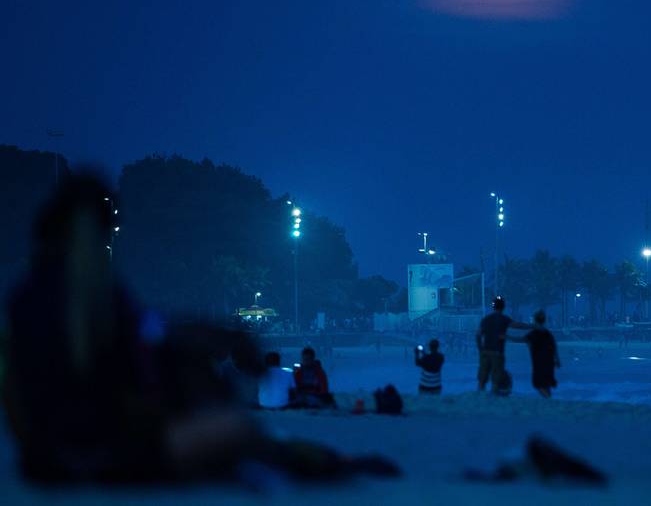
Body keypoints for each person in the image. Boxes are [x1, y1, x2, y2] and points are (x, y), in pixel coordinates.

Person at [1, 174, 400, 483]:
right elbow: (147, 340)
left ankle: (298, 458)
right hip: (96, 457)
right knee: (232, 428)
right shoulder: (86, 299)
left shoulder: (26, 299)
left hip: (51, 457)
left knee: (212, 413)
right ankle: (315, 462)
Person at [476, 296, 528, 393]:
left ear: (493, 307)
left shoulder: (486, 319)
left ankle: (481, 397)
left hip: (485, 352)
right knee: (496, 379)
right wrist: (532, 326)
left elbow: (478, 335)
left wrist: (480, 349)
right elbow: (518, 325)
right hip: (497, 353)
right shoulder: (504, 319)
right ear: (503, 307)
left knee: (482, 379)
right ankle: (493, 396)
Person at [510, 310, 560, 398]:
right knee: (546, 383)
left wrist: (506, 337)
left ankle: (549, 399)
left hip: (539, 363)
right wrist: (557, 360)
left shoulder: (533, 334)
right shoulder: (548, 334)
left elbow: (518, 339)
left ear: (535, 320)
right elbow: (554, 347)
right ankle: (549, 399)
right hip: (549, 363)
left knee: (538, 384)